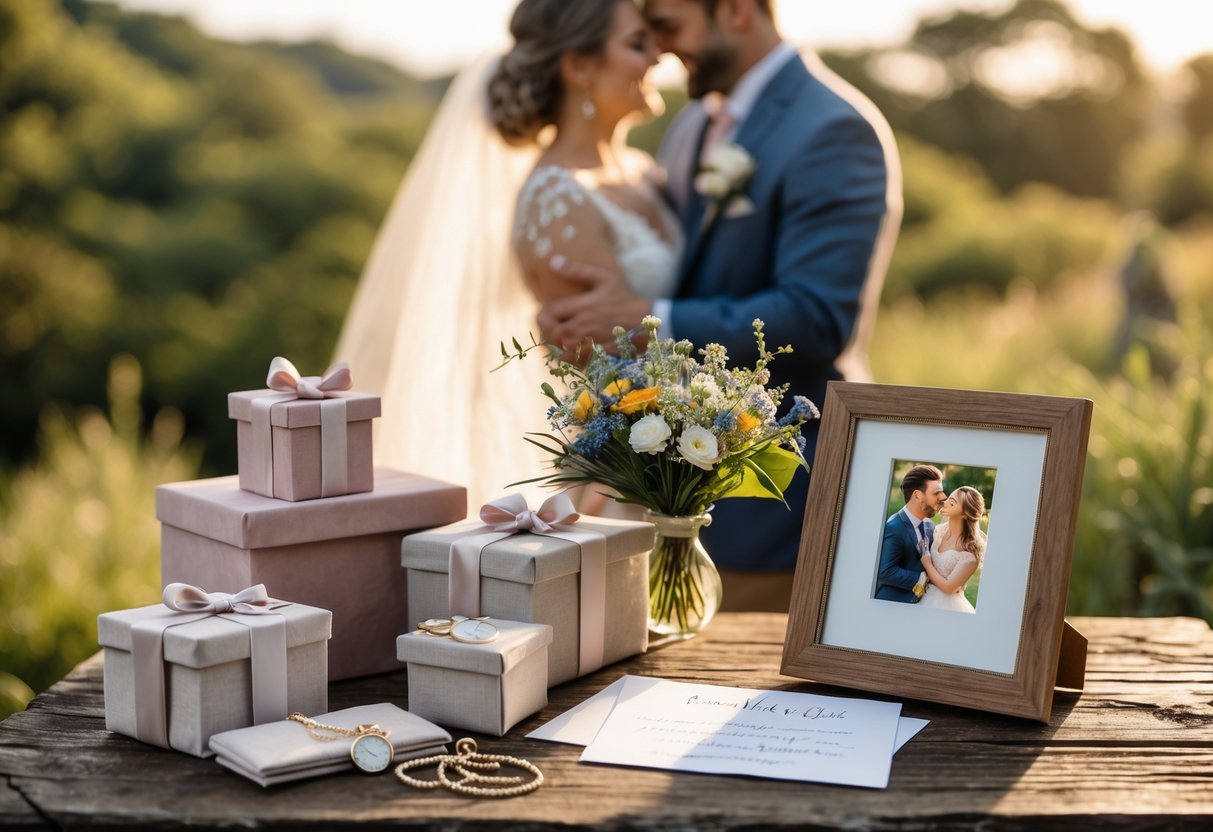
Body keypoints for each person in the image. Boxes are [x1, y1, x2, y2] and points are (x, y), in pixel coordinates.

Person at [538, 0, 902, 609]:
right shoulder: (692, 127)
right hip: (669, 485)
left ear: (734, 11)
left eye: (669, 26)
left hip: (776, 498)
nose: (659, 48)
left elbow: (816, 317)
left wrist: (649, 317)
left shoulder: (833, 128)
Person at [332, 0, 676, 510]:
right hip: (633, 477)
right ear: (579, 66)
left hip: (681, 450)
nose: (658, 58)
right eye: (637, 44)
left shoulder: (643, 170)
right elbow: (610, 363)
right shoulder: (556, 199)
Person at [876, 465, 945, 604]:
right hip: (894, 605)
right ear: (918, 495)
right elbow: (886, 571)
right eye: (936, 493)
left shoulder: (930, 526)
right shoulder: (894, 527)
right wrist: (922, 579)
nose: (943, 497)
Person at [918, 486, 986, 613]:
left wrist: (927, 564)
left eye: (952, 502)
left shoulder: (970, 552)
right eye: (948, 498)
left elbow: (949, 587)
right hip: (923, 595)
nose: (945, 502)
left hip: (946, 605)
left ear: (965, 514)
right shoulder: (938, 531)